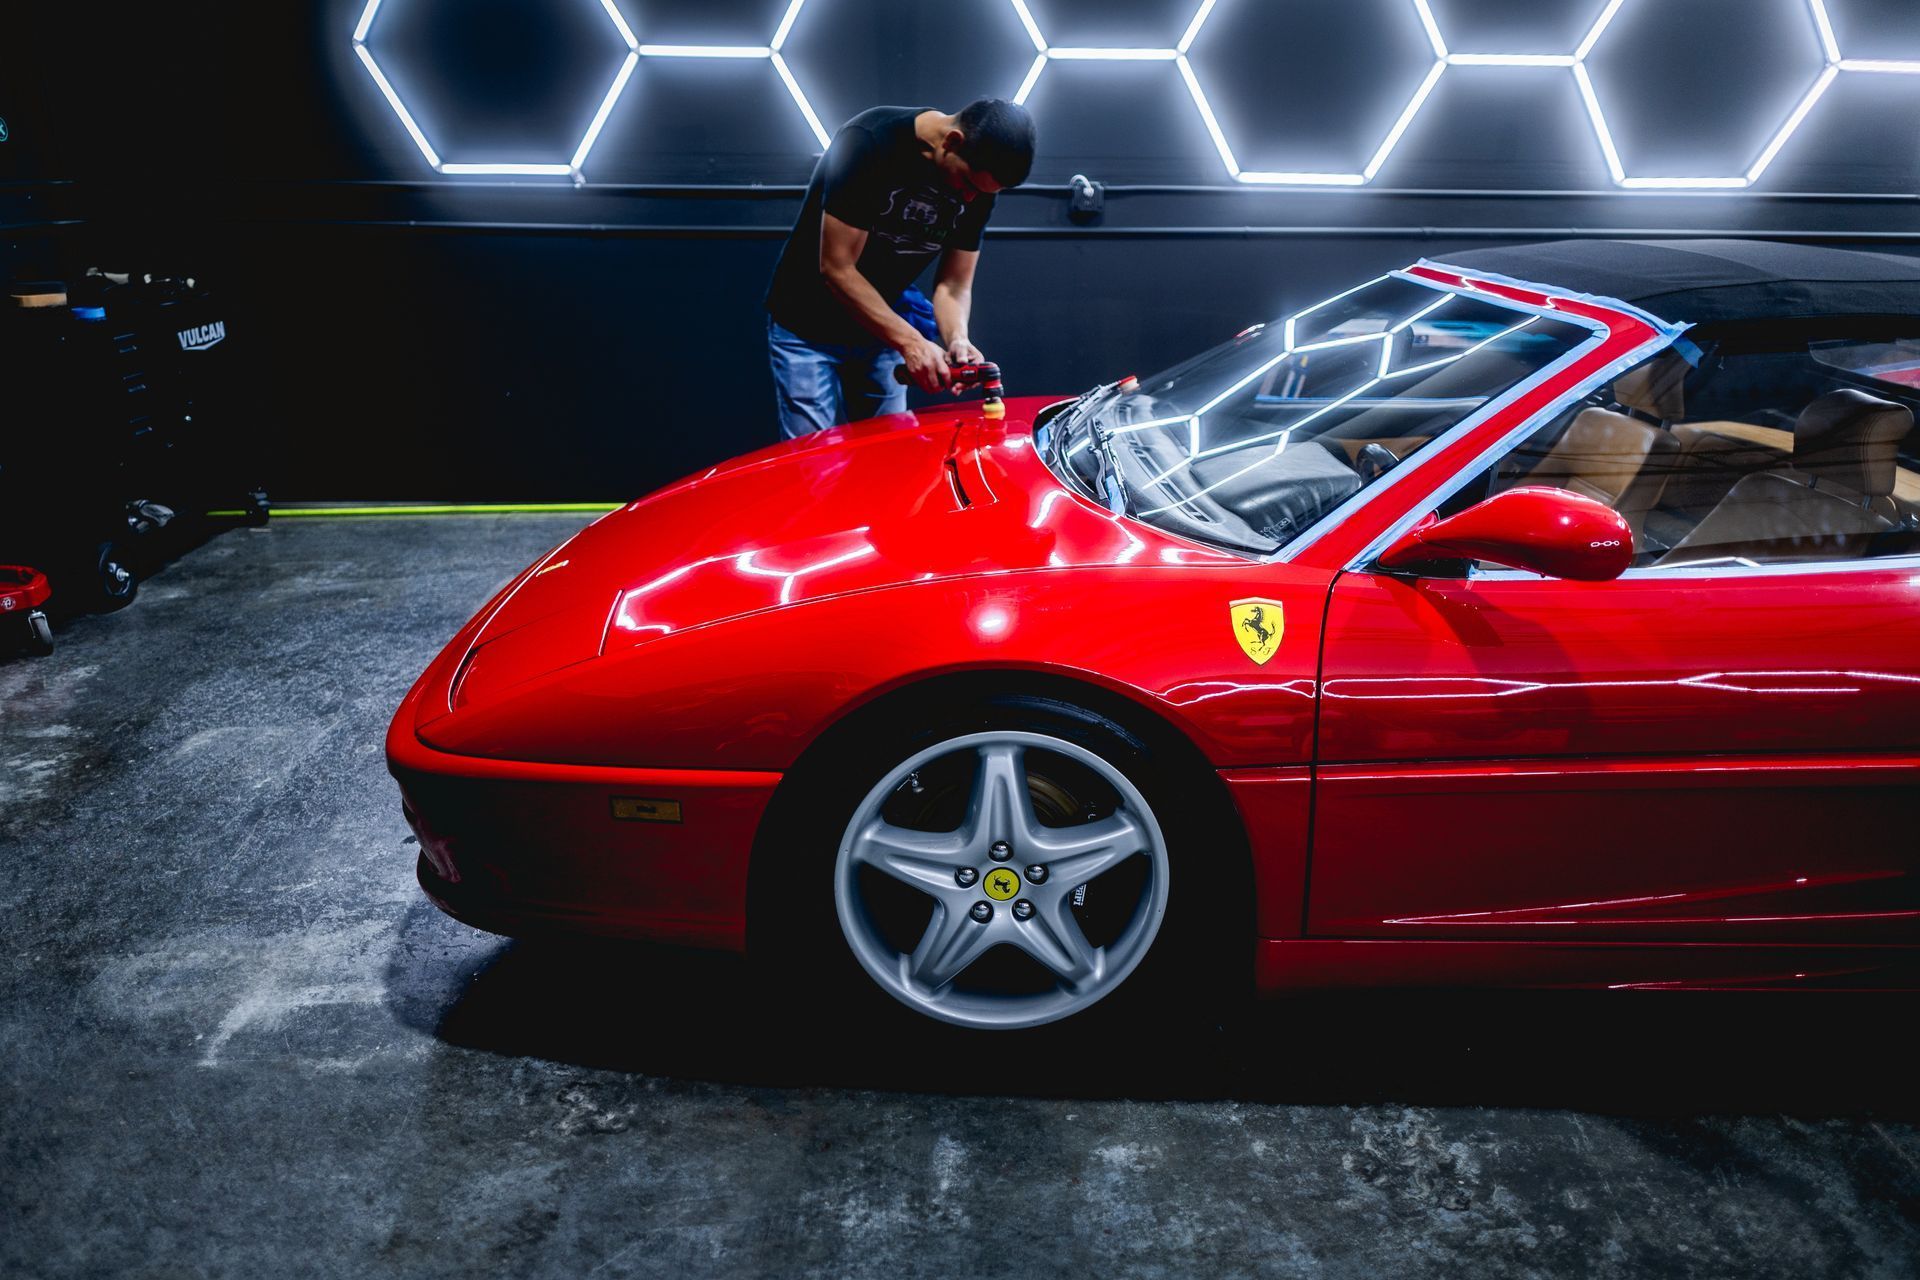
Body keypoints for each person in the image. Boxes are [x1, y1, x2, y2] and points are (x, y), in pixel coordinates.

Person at [764, 98, 1036, 439]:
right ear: (952, 142)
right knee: (814, 466)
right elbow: (837, 269)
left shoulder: (978, 187)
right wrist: (912, 343)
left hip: (881, 332)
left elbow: (953, 286)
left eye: (979, 193)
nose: (969, 199)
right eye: (967, 184)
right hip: (806, 327)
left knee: (888, 458)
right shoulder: (868, 142)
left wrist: (958, 340)